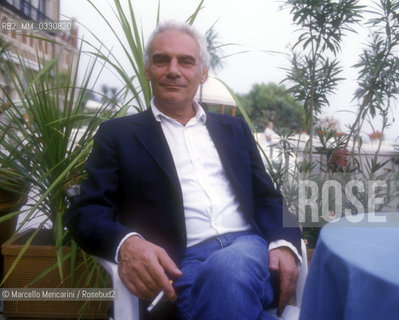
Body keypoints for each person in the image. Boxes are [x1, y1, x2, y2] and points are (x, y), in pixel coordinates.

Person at [66, 20, 301, 320]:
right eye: (161, 60)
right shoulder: (118, 135)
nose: (173, 70)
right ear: (147, 70)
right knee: (223, 292)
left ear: (203, 73)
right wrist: (127, 243)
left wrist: (283, 243)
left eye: (186, 61)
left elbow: (268, 197)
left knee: (227, 269)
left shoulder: (234, 129)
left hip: (247, 251)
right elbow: (87, 210)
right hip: (178, 265)